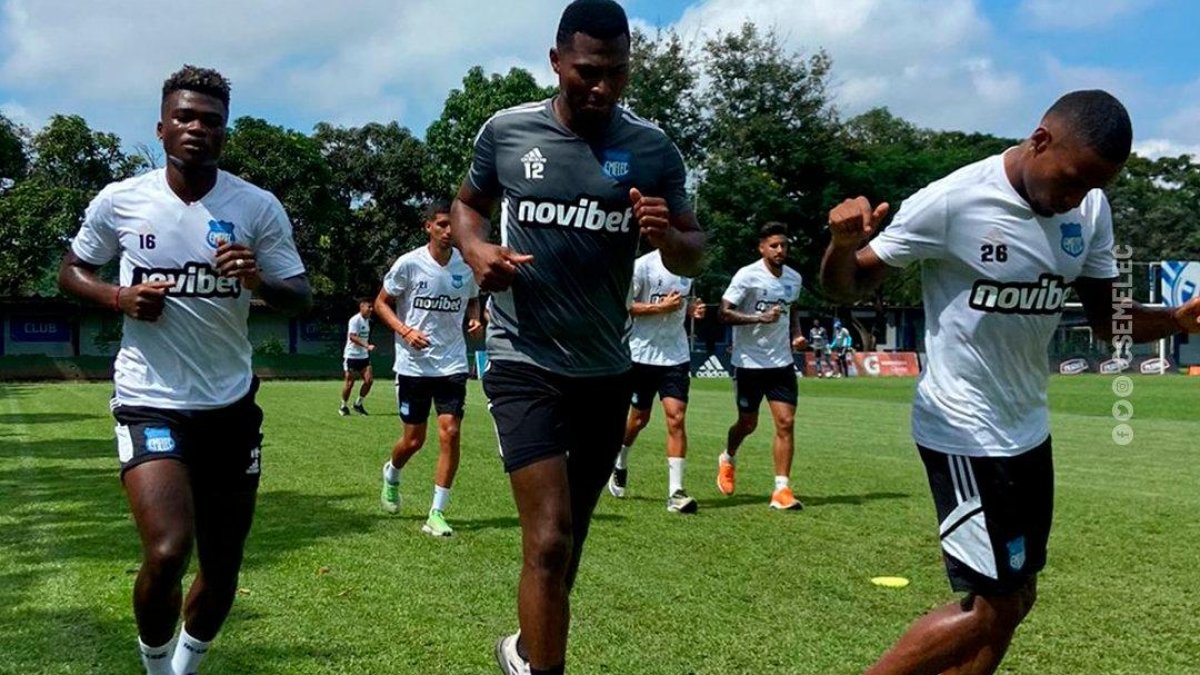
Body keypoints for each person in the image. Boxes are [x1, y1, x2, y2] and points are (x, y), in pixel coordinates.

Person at [821, 89, 1200, 675]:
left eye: (1094, 187)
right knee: (993, 604)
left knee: (1016, 598)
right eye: (1072, 180)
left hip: (1028, 428)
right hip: (962, 428)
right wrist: (842, 246)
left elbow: (1106, 319)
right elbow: (846, 287)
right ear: (1041, 141)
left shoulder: (1089, 209)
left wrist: (1174, 320)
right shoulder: (955, 201)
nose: (1076, 198)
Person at [451, 1, 704, 671]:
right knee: (551, 536)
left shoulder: (651, 149)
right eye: (587, 72)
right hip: (521, 356)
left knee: (571, 538)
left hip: (604, 368)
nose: (600, 87)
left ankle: (527, 650)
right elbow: (467, 205)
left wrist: (667, 236)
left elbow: (694, 248)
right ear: (557, 61)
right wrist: (476, 251)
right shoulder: (507, 132)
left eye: (616, 74)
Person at [57, 65, 311, 675]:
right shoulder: (122, 200)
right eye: (186, 118)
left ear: (225, 133)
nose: (198, 128)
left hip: (229, 407)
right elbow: (71, 271)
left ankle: (183, 668)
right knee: (170, 550)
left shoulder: (256, 206)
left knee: (223, 566)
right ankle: (154, 666)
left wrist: (257, 280)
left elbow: (299, 294)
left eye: (211, 121)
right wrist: (117, 298)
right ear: (162, 128)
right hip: (151, 399)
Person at [375, 199, 482, 537]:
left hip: (451, 362)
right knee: (414, 440)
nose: (449, 231)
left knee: (450, 432)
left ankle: (436, 512)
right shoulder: (409, 264)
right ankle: (392, 472)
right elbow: (381, 303)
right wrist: (405, 331)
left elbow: (474, 298)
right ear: (428, 227)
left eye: (452, 226)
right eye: (442, 225)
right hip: (413, 366)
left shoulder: (465, 267)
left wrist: (476, 317)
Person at [606, 248, 705, 513]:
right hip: (642, 354)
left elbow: (685, 302)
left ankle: (676, 492)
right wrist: (660, 307)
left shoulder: (687, 267)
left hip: (675, 355)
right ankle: (620, 460)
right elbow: (624, 306)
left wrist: (693, 309)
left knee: (676, 416)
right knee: (638, 420)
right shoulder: (642, 267)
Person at [716, 222, 806, 510]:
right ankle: (728, 457)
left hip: (781, 362)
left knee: (786, 423)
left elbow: (793, 310)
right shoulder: (747, 276)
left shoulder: (794, 278)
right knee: (748, 423)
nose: (781, 250)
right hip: (749, 362)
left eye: (784, 245)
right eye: (775, 245)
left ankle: (782, 490)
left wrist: (796, 334)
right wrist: (759, 319)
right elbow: (723, 313)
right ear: (762, 248)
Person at [340, 299, 375, 415]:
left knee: (369, 380)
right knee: (350, 383)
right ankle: (343, 406)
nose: (371, 309)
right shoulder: (355, 320)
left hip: (363, 356)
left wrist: (366, 348)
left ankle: (358, 404)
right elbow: (352, 337)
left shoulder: (367, 321)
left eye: (372, 307)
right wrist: (367, 345)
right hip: (352, 356)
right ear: (362, 307)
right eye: (369, 307)